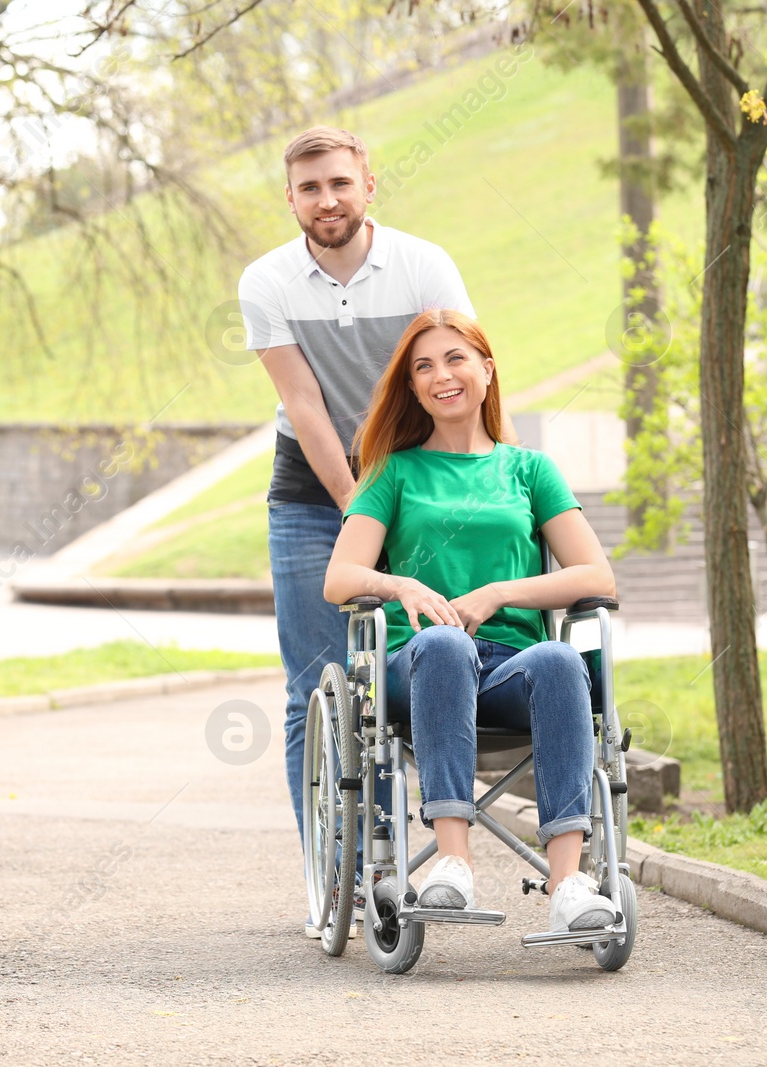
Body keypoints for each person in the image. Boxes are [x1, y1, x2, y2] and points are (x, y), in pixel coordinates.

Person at [239, 127, 502, 937]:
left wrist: (464, 487)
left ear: (369, 186)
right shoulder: (267, 281)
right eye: (310, 189)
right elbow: (306, 407)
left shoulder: (426, 266)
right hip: (315, 490)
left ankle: (410, 851)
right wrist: (363, 510)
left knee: (418, 659)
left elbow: (459, 374)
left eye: (340, 184)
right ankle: (335, 866)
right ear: (291, 200)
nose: (328, 201)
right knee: (312, 684)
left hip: (416, 480)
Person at [322, 308, 620, 934]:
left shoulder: (528, 470)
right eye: (422, 367)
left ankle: (569, 881)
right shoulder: (394, 471)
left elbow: (596, 576)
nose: (441, 375)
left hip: (510, 665)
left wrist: (497, 593)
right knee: (445, 647)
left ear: (486, 369)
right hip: (419, 663)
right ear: (411, 388)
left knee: (562, 658)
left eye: (455, 359)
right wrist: (400, 582)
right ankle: (452, 863)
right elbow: (340, 579)